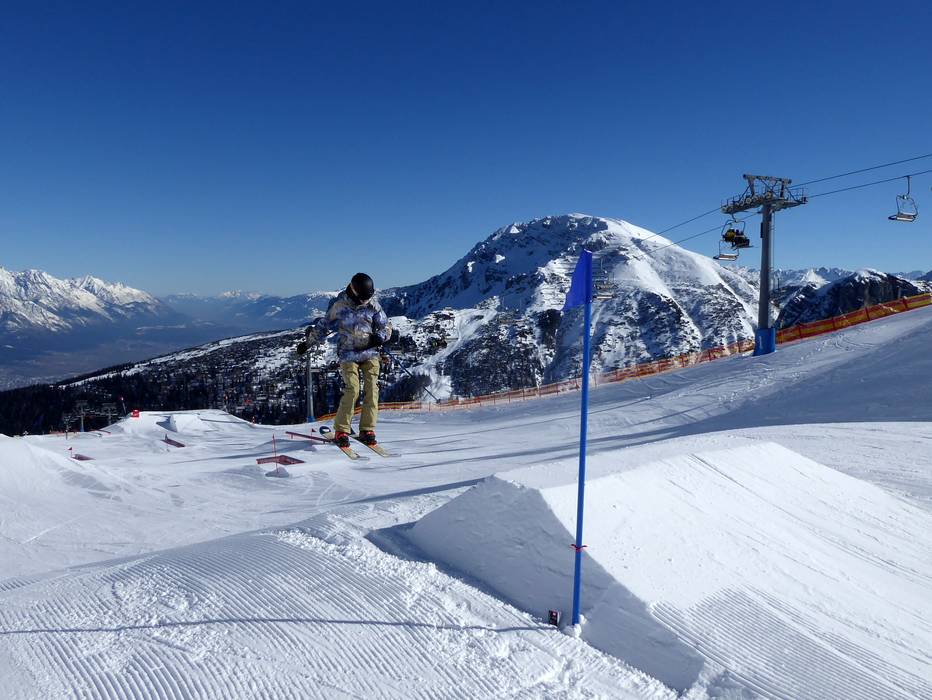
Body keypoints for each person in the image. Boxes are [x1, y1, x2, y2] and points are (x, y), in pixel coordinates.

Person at [298, 272, 392, 447]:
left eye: (368, 298)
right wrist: (308, 343)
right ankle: (341, 430)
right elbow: (323, 326)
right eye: (363, 298)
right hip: (348, 354)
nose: (365, 301)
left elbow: (386, 326)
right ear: (354, 292)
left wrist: (380, 337)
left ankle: (367, 429)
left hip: (370, 353)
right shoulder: (340, 306)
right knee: (353, 389)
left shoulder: (373, 306)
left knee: (372, 389)